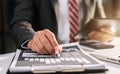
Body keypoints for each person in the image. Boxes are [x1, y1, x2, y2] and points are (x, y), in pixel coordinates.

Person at [10, 0, 107, 55]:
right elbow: (19, 22)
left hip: (86, 52)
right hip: (50, 54)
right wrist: (32, 39)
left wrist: (104, 33)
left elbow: (102, 23)